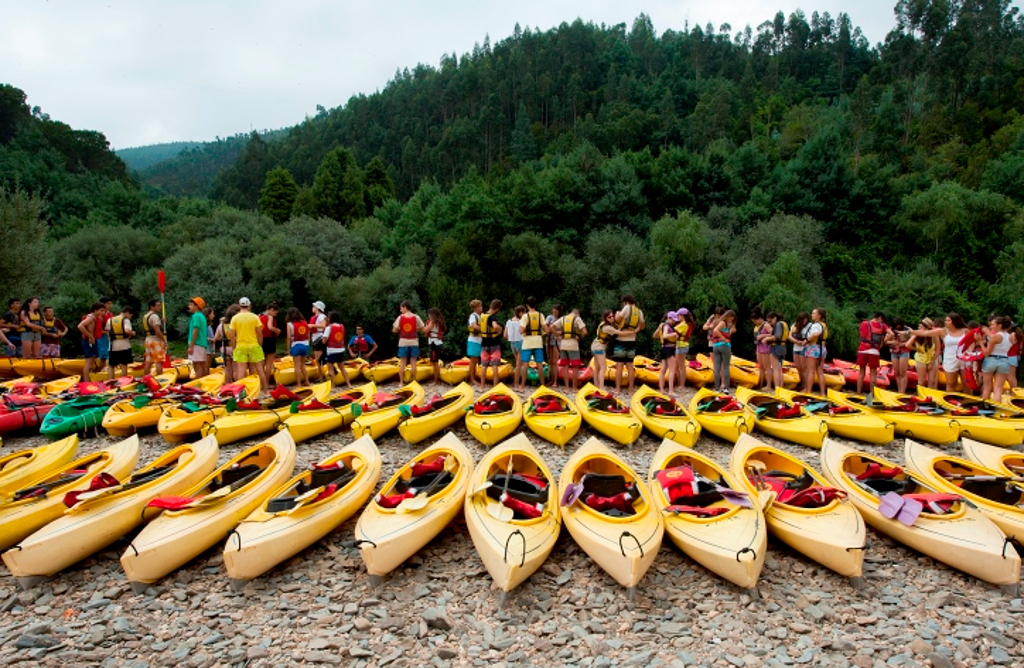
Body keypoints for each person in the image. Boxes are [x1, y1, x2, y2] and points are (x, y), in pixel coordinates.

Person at [913, 312, 967, 392]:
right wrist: (910, 332)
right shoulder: (943, 331)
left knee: (966, 383)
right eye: (945, 320)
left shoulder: (965, 331)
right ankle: (949, 398)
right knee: (950, 383)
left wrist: (969, 351)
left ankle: (968, 398)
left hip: (963, 358)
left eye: (948, 320)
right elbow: (925, 333)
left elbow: (972, 341)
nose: (945, 322)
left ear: (954, 321)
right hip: (950, 359)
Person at [229, 297, 270, 396]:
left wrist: (234, 347)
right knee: (260, 369)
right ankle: (265, 391)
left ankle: (239, 393)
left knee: (241, 371)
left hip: (240, 346)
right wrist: (259, 345)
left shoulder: (235, 318)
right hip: (253, 345)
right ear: (249, 306)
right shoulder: (254, 317)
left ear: (239, 306)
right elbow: (260, 334)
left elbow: (232, 336)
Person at [613, 294, 645, 394]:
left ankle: (617, 389)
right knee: (630, 366)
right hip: (632, 340)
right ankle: (631, 389)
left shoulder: (626, 308)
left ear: (625, 302)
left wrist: (617, 314)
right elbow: (642, 326)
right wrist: (635, 330)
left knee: (619, 365)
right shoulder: (639, 311)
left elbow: (618, 320)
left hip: (621, 339)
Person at [552, 307, 587, 391]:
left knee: (565, 367)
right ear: (577, 314)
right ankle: (574, 387)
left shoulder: (563, 318)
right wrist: (579, 337)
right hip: (573, 345)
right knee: (575, 367)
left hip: (563, 345)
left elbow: (551, 327)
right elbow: (585, 331)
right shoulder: (577, 318)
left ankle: (566, 388)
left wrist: (557, 335)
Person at [517, 296, 546, 392]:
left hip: (527, 343)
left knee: (525, 364)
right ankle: (542, 384)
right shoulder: (540, 315)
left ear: (527, 305)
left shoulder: (525, 316)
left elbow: (521, 330)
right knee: (539, 363)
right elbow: (546, 329)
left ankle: (522, 386)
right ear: (536, 305)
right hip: (538, 341)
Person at [856, 312, 888, 400]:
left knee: (861, 373)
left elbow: (861, 333)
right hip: (874, 351)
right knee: (873, 374)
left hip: (862, 349)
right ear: (880, 318)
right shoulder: (882, 326)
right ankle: (872, 396)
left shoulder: (864, 323)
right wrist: (884, 341)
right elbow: (891, 333)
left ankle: (858, 394)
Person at [981, 316, 1013, 403]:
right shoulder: (1010, 337)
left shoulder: (995, 337)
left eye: (993, 325)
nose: (991, 326)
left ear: (999, 325)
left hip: (991, 359)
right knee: (998, 388)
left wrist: (980, 342)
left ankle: (985, 406)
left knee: (987, 387)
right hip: (1004, 360)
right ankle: (996, 406)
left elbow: (986, 353)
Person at [393, 301, 425, 384]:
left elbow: (394, 330)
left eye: (401, 308)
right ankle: (414, 381)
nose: (400, 310)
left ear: (405, 307)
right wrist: (416, 328)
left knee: (402, 363)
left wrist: (399, 329)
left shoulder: (400, 317)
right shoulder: (416, 317)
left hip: (403, 342)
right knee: (413, 363)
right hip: (414, 342)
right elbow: (422, 328)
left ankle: (401, 382)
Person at [591, 310, 620, 392]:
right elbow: (620, 333)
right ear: (606, 318)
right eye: (609, 317)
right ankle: (601, 387)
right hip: (599, 348)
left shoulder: (604, 324)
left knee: (597, 367)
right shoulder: (607, 327)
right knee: (603, 367)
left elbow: (617, 326)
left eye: (613, 316)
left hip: (595, 346)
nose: (612, 318)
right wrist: (634, 331)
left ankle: (596, 385)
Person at [907, 317, 940, 390]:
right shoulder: (917, 334)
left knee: (932, 381)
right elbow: (908, 344)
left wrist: (932, 362)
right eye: (919, 326)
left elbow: (937, 349)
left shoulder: (934, 335)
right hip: (921, 359)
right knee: (921, 381)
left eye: (921, 327)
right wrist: (917, 349)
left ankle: (932, 394)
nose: (919, 328)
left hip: (932, 358)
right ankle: (920, 394)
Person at [478, 300, 504, 389]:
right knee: (495, 365)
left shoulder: (482, 316)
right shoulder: (492, 317)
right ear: (497, 309)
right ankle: (495, 386)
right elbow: (495, 326)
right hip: (494, 343)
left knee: (484, 365)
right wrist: (500, 329)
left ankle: (482, 387)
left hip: (484, 343)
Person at [323, 311, 352, 388]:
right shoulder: (342, 326)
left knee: (330, 369)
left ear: (331, 318)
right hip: (341, 349)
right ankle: (349, 384)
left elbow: (324, 341)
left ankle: (333, 385)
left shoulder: (329, 328)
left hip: (331, 350)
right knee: (342, 368)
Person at [77, 303, 105, 380]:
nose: (103, 312)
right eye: (101, 310)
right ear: (95, 310)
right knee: (89, 362)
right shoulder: (91, 318)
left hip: (92, 341)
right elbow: (80, 326)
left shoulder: (96, 318)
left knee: (92, 361)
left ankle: (89, 379)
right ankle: (86, 381)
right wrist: (89, 335)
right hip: (88, 341)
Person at [213, 304, 240, 383]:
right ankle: (237, 384)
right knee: (236, 369)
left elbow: (216, 338)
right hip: (235, 347)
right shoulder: (236, 324)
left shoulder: (221, 325)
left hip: (225, 348)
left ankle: (228, 383)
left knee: (228, 368)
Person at [285, 307, 312, 387]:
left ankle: (298, 383)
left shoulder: (289, 324)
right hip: (305, 345)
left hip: (296, 345)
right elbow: (308, 335)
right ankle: (307, 381)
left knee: (297, 365)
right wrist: (308, 345)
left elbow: (289, 337)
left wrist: (288, 349)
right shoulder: (305, 323)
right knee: (302, 365)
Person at [710, 310, 735, 393]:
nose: (731, 320)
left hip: (715, 346)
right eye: (731, 318)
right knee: (726, 366)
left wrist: (730, 331)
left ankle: (717, 388)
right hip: (724, 346)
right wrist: (724, 339)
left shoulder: (720, 322)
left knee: (717, 367)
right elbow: (715, 330)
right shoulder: (723, 323)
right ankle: (726, 388)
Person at [885, 318, 913, 393]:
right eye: (896, 326)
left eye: (899, 326)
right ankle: (899, 389)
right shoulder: (890, 330)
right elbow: (886, 341)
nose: (898, 327)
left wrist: (904, 343)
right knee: (897, 372)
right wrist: (892, 342)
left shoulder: (907, 329)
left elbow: (913, 338)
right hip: (894, 352)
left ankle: (902, 391)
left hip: (904, 351)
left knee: (903, 372)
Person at [106, 306, 135, 379]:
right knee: (124, 364)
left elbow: (108, 332)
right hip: (124, 345)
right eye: (130, 316)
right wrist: (133, 333)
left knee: (111, 365)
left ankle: (110, 380)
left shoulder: (110, 320)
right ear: (127, 313)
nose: (130, 318)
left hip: (112, 345)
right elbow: (127, 330)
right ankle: (123, 381)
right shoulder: (125, 320)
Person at [804, 308, 828, 395]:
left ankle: (808, 391)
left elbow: (816, 334)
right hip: (822, 348)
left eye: (814, 313)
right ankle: (822, 393)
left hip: (813, 348)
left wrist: (807, 340)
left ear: (819, 316)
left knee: (810, 371)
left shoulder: (816, 325)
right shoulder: (824, 325)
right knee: (820, 372)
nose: (812, 315)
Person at [655, 311, 680, 393]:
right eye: (673, 320)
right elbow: (665, 336)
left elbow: (655, 335)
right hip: (669, 348)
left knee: (663, 369)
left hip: (664, 348)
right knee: (672, 370)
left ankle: (661, 389)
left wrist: (661, 337)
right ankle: (671, 391)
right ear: (669, 318)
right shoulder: (666, 326)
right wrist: (674, 334)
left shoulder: (662, 325)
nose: (674, 322)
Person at [141, 300, 167, 377]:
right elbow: (157, 331)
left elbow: (151, 326)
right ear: (152, 307)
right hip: (155, 341)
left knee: (149, 361)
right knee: (158, 361)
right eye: (157, 305)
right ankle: (160, 378)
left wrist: (161, 322)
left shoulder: (146, 316)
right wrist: (164, 340)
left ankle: (146, 378)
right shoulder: (155, 316)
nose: (159, 307)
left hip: (148, 340)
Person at [186, 297, 210, 379]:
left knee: (197, 365)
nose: (189, 306)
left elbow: (195, 331)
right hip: (202, 343)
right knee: (201, 365)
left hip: (196, 343)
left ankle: (198, 382)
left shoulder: (196, 316)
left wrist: (191, 346)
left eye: (191, 305)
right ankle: (202, 381)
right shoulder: (202, 316)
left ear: (197, 306)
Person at [259, 302, 281, 387]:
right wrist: (277, 330)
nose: (276, 315)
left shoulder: (259, 316)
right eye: (276, 312)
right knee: (269, 363)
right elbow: (270, 327)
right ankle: (266, 383)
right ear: (271, 310)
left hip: (260, 339)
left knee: (261, 363)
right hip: (269, 340)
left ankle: (260, 382)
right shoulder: (270, 317)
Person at [673, 308, 695, 392]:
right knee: (677, 366)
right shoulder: (686, 324)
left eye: (679, 315)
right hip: (682, 346)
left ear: (682, 315)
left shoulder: (683, 325)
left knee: (681, 366)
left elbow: (674, 333)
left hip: (681, 346)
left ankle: (682, 385)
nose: (677, 317)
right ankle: (679, 384)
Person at [424, 308, 447, 384]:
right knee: (435, 362)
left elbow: (426, 330)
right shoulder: (439, 322)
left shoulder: (432, 322)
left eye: (429, 314)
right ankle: (436, 379)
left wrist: (419, 327)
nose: (428, 316)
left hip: (434, 344)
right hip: (436, 343)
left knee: (435, 362)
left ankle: (436, 381)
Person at [751, 308, 772, 390]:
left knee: (767, 367)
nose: (755, 323)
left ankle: (769, 385)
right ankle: (761, 384)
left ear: (760, 318)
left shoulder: (766, 325)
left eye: (756, 321)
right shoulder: (757, 326)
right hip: (759, 347)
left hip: (765, 347)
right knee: (761, 367)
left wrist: (763, 336)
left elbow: (773, 334)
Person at [765, 312, 787, 391]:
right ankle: (781, 388)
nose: (770, 324)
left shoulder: (778, 324)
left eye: (770, 321)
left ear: (775, 318)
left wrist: (767, 339)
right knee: (779, 369)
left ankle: (777, 388)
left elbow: (777, 336)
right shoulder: (783, 323)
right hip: (783, 347)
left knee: (775, 369)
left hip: (776, 347)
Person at [466, 299, 484, 389]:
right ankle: (472, 379)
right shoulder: (473, 316)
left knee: (476, 360)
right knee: (473, 360)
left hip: (478, 340)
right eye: (480, 306)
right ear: (475, 308)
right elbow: (474, 325)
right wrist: (484, 330)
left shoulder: (480, 316)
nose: (481, 307)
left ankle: (474, 377)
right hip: (474, 340)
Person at [789, 312, 810, 389]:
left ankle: (806, 385)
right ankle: (802, 383)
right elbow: (789, 336)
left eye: (805, 319)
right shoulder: (795, 325)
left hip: (805, 348)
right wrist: (796, 341)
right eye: (802, 319)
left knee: (804, 367)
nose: (804, 321)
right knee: (798, 367)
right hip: (796, 347)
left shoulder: (809, 326)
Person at [504, 306, 524, 384]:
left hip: (512, 343)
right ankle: (516, 383)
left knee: (518, 363)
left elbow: (505, 335)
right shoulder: (521, 321)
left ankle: (518, 379)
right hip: (520, 342)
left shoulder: (508, 321)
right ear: (521, 312)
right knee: (519, 364)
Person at [545, 304, 562, 384]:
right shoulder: (549, 317)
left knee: (555, 361)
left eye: (556, 312)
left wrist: (554, 331)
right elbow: (546, 328)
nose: (554, 313)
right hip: (549, 340)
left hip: (557, 342)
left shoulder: (562, 319)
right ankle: (551, 379)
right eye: (553, 312)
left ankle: (555, 381)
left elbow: (562, 332)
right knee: (550, 361)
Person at [309, 301, 328, 372]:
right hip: (315, 337)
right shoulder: (315, 317)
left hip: (319, 337)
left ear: (317, 308)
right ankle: (320, 374)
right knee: (317, 359)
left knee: (319, 359)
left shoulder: (322, 316)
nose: (312, 308)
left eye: (314, 306)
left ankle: (321, 375)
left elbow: (323, 325)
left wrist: (312, 325)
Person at [97, 297, 114, 375]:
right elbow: (99, 329)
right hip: (102, 337)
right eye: (108, 303)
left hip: (108, 336)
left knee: (108, 354)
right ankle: (98, 371)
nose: (110, 305)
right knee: (103, 355)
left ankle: (105, 371)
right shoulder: (100, 315)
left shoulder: (110, 314)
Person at [1008, 323, 1022, 390]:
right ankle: (1015, 390)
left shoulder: (1013, 334)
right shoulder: (1019, 335)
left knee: (1010, 377)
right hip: (1014, 356)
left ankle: (1013, 391)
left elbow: (1010, 345)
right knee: (1013, 377)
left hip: (1010, 356)